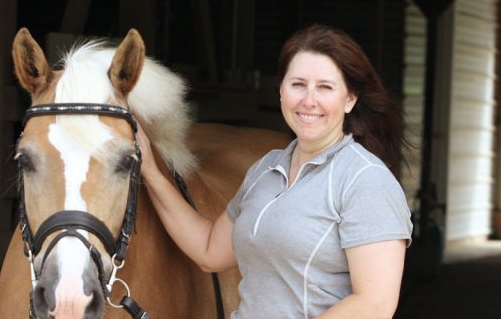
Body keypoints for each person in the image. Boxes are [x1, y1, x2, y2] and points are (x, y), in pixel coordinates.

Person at [136, 23, 412, 319]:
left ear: (350, 99)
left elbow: (374, 304)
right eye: (298, 84)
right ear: (281, 91)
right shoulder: (266, 169)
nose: (309, 100)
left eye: (325, 87)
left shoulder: (364, 178)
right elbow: (208, 251)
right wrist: (151, 170)